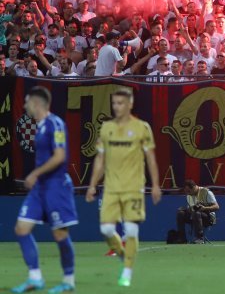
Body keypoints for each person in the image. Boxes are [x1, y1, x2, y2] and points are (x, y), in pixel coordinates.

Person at [86, 86, 162, 288]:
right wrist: (92, 185)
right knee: (107, 229)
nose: (117, 107)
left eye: (120, 103)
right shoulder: (106, 128)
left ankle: (127, 272)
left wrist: (155, 185)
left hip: (133, 187)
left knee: (130, 230)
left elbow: (150, 158)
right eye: (114, 103)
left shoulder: (142, 127)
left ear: (130, 104)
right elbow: (100, 160)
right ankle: (123, 256)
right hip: (111, 187)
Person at [12, 86, 78, 294]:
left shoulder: (55, 124)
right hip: (40, 188)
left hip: (56, 186)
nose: (24, 105)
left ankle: (68, 280)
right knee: (21, 229)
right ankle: (35, 278)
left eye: (27, 101)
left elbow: (59, 157)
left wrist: (35, 173)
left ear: (37, 103)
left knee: (60, 234)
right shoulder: (39, 126)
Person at [176, 180, 220, 244]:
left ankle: (199, 238)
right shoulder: (189, 196)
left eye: (189, 191)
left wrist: (204, 208)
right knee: (180, 213)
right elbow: (192, 208)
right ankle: (182, 239)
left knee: (196, 213)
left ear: (194, 187)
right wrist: (186, 209)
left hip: (209, 217)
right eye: (186, 191)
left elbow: (217, 207)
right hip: (195, 216)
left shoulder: (206, 192)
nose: (188, 193)